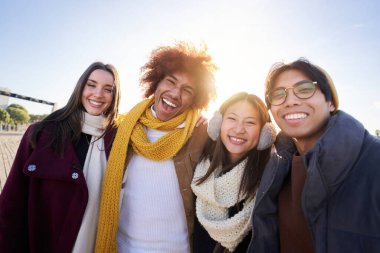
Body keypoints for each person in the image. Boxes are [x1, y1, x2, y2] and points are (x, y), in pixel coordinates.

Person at [93, 41, 217, 252]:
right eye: (170, 82)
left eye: (187, 90)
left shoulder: (201, 134)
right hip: (124, 247)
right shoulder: (124, 129)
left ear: (195, 99)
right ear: (156, 83)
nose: (175, 94)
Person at [247, 58, 380, 253]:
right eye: (278, 94)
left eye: (305, 89)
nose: (291, 101)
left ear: (331, 102)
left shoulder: (374, 161)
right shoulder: (276, 167)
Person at [0, 62, 121, 253]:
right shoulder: (41, 133)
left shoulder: (118, 142)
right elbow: (12, 201)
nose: (98, 94)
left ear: (115, 96)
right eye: (91, 85)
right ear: (80, 87)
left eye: (108, 89)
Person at [191, 92, 276, 253]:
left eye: (250, 122)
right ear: (218, 123)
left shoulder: (270, 178)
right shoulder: (201, 166)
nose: (239, 129)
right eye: (232, 119)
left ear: (265, 132)